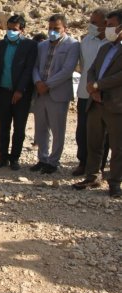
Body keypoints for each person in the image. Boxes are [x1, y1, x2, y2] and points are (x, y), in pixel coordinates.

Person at [73, 9, 122, 198]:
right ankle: (92, 176)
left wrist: (97, 85)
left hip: (116, 105)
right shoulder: (105, 47)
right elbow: (91, 69)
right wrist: (92, 88)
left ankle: (115, 182)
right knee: (94, 142)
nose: (106, 29)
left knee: (118, 147)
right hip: (96, 102)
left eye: (110, 26)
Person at [31, 14, 80, 174]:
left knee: (57, 129)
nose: (52, 31)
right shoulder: (42, 45)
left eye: (56, 29)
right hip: (40, 93)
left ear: (65, 28)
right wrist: (38, 82)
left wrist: (48, 84)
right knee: (41, 129)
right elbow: (35, 66)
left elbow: (67, 70)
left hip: (57, 93)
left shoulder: (73, 45)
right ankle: (42, 159)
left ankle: (53, 161)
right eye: (50, 28)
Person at [0, 15, 38, 171]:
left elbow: (28, 69)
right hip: (3, 92)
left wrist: (20, 90)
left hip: (21, 94)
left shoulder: (30, 45)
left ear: (22, 30)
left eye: (15, 29)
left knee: (19, 128)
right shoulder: (0, 44)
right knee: (3, 127)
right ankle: (3, 157)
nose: (11, 32)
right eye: (9, 28)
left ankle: (15, 158)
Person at [73, 8, 109, 176]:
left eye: (94, 22)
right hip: (85, 93)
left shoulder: (112, 44)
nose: (91, 25)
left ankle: (97, 167)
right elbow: (82, 66)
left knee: (102, 134)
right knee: (82, 131)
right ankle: (83, 162)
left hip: (104, 95)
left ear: (105, 23)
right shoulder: (87, 41)